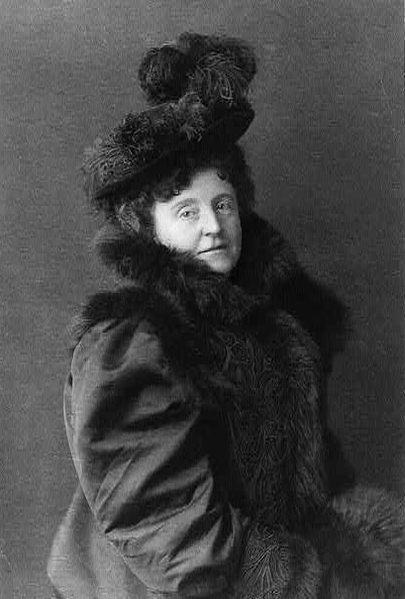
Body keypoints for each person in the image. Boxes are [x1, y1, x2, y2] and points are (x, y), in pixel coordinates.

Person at [48, 33, 405, 599]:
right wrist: (295, 579)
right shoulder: (134, 341)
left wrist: (349, 553)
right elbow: (161, 520)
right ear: (150, 230)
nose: (213, 225)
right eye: (187, 211)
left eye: (223, 204)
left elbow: (307, 470)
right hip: (167, 583)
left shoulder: (267, 320)